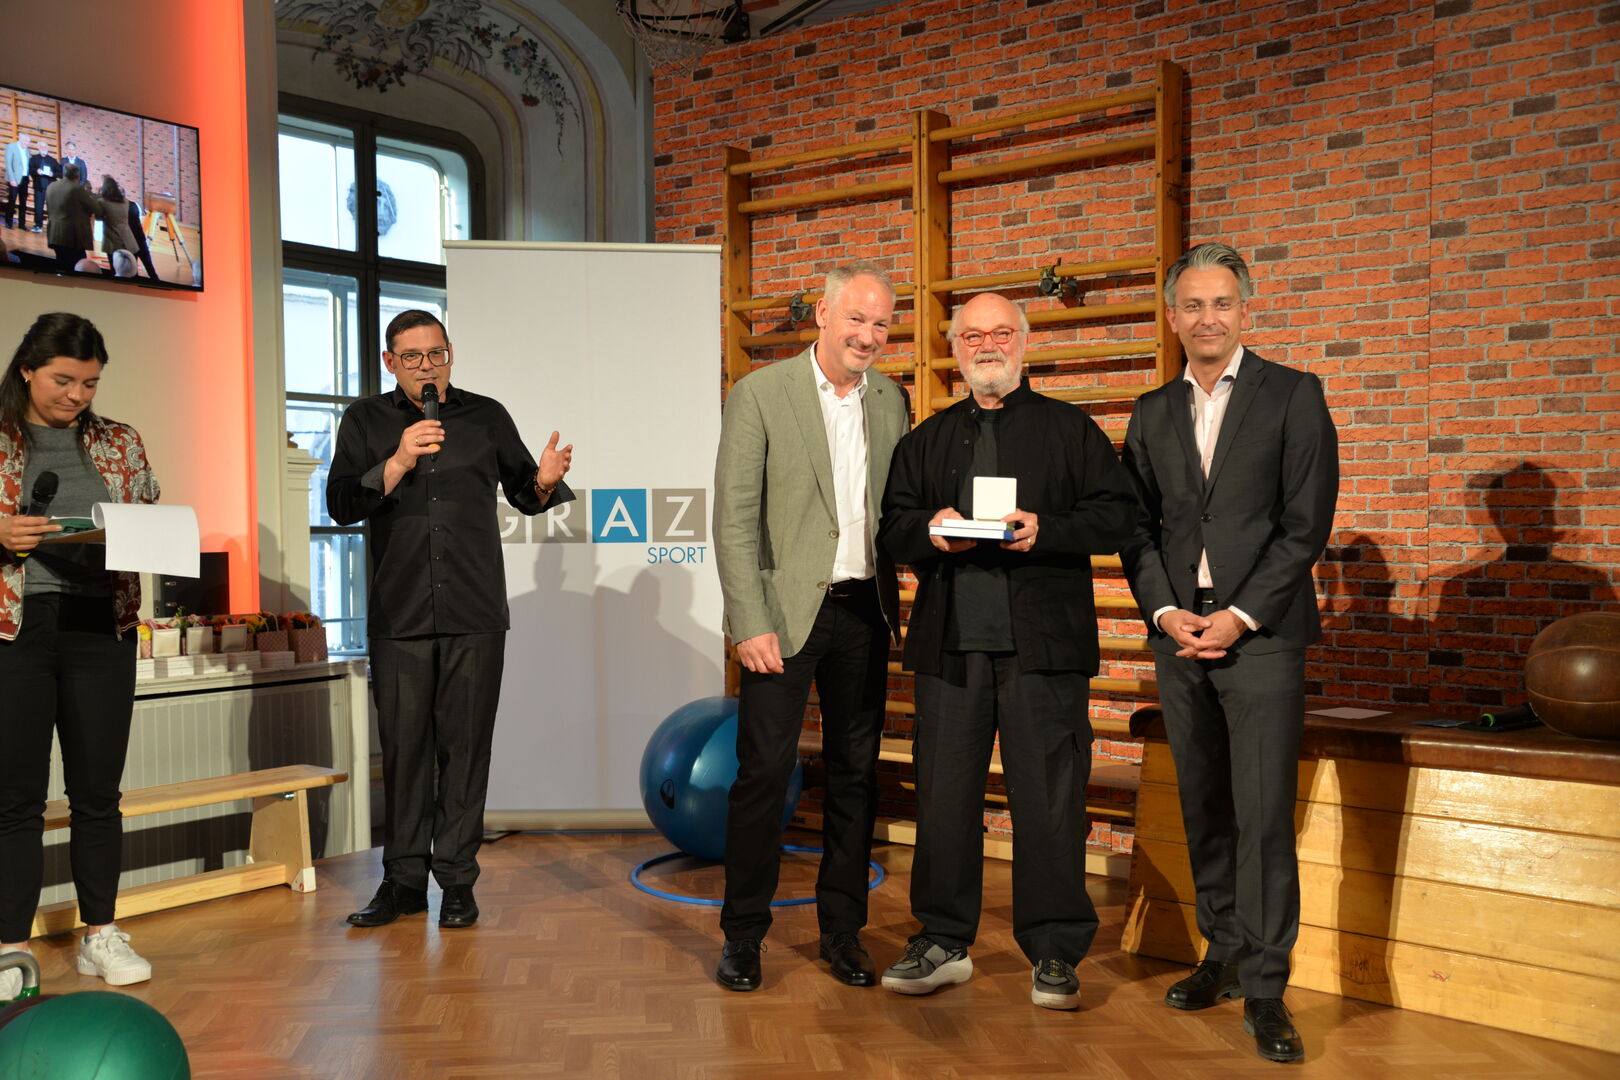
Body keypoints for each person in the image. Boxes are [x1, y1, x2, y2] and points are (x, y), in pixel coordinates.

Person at [874, 291, 1136, 1009]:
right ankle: (942, 940)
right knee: (944, 798)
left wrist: (1046, 529)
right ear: (955, 348)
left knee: (1049, 801)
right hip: (950, 648)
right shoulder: (925, 440)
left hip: (1043, 650)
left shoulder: (1070, 431)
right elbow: (891, 527)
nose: (986, 345)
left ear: (1023, 342)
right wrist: (931, 530)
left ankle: (1054, 950)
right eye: (972, 335)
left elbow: (1118, 515)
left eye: (999, 333)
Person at [1119, 242, 1339, 1063]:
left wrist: (1240, 616)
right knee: (1205, 804)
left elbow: (1305, 523)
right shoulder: (1152, 411)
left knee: (1263, 814)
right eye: (1192, 305)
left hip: (1262, 636)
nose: (1207, 318)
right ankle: (1224, 951)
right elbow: (1136, 527)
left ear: (1245, 309)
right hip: (1180, 635)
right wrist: (1166, 610)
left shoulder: (1294, 394)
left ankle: (1268, 985)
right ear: (1173, 317)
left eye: (1221, 303)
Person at [327, 310, 573, 931]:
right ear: (390, 362)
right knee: (405, 753)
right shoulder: (364, 420)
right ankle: (403, 883)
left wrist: (544, 482)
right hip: (400, 613)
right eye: (412, 357)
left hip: (474, 611)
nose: (426, 367)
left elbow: (525, 494)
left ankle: (458, 882)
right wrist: (396, 462)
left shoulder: (485, 415)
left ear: (450, 354)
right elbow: (340, 504)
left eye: (436, 354)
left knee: (465, 752)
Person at [712, 261, 910, 992]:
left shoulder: (891, 400)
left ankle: (842, 933)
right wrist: (748, 621)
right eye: (856, 318)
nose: (868, 335)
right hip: (782, 617)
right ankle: (743, 936)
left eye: (881, 323)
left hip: (865, 611)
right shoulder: (760, 393)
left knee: (855, 775)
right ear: (823, 315)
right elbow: (734, 520)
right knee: (764, 776)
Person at [0, 312, 162, 1002]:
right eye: (63, 380)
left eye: (89, 384)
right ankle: (10, 947)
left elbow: (150, 515)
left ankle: (101, 933)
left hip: (102, 626)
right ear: (27, 369)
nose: (76, 395)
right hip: (16, 629)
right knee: (15, 798)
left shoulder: (119, 441)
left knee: (98, 793)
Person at [45, 164, 100, 272]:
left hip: (54, 233)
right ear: (78, 176)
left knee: (61, 265)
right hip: (70, 236)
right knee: (78, 266)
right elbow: (95, 208)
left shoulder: (51, 185)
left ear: (64, 173)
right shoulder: (76, 188)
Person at [97, 176, 140, 267]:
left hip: (112, 241)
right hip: (128, 238)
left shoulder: (102, 202)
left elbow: (98, 217)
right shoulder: (125, 201)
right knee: (130, 268)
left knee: (115, 268)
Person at [26, 141, 56, 233]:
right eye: (42, 147)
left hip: (50, 188)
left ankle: (52, 227)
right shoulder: (33, 159)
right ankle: (38, 226)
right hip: (38, 187)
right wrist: (36, 171)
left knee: (51, 208)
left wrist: (53, 174)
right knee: (38, 207)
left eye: (45, 147)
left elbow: (60, 172)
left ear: (48, 148)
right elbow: (30, 170)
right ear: (38, 148)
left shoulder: (52, 160)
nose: (43, 149)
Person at [3, 136, 28, 230]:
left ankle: (22, 224)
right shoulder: (11, 147)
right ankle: (8, 222)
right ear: (20, 140)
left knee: (23, 202)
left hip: (24, 179)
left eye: (28, 142)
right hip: (14, 178)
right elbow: (8, 164)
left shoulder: (27, 150)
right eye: (26, 141)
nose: (27, 144)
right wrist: (12, 179)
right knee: (12, 200)